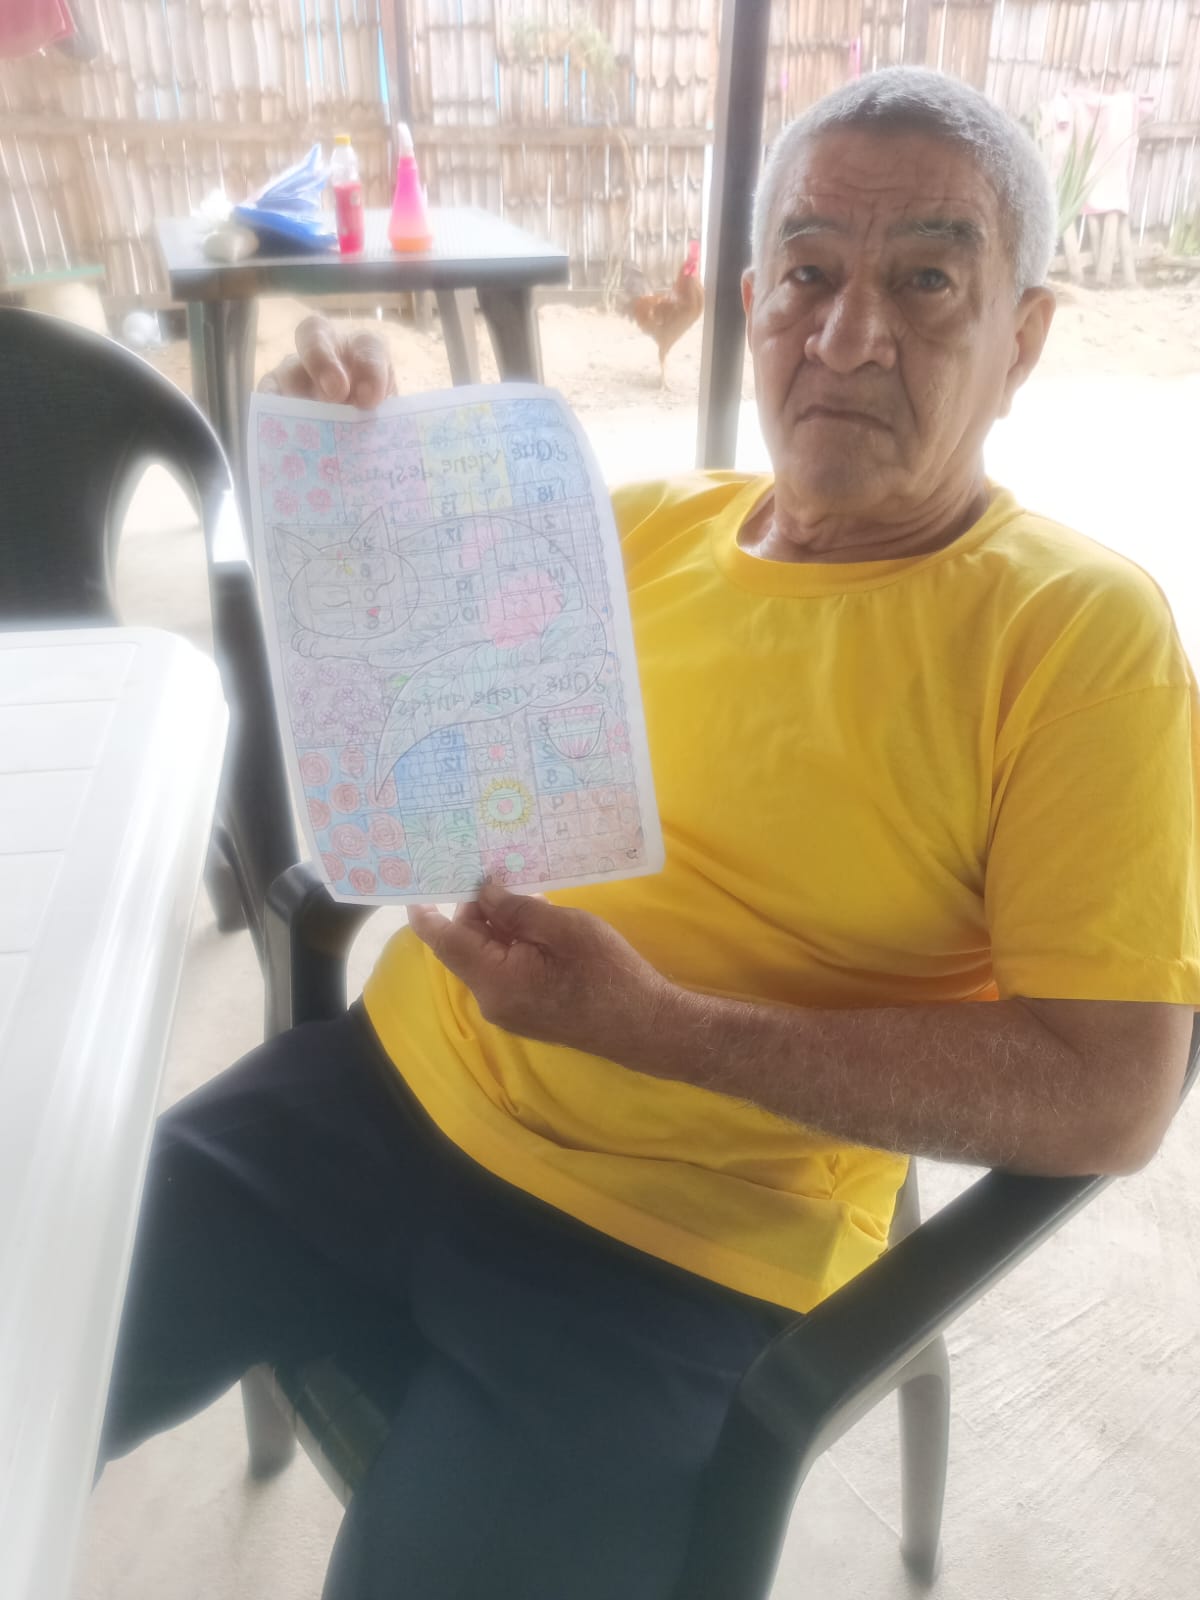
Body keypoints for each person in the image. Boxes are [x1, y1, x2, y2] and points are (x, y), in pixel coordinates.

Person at [99, 67, 1198, 1599]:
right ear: (753, 304)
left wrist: (658, 1028)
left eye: (927, 281)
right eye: (808, 273)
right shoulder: (637, 525)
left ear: (1023, 336)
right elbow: (405, 709)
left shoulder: (1078, 637)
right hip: (382, 1089)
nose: (848, 335)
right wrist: (341, 470)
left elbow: (1113, 1098)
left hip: (683, 1248)